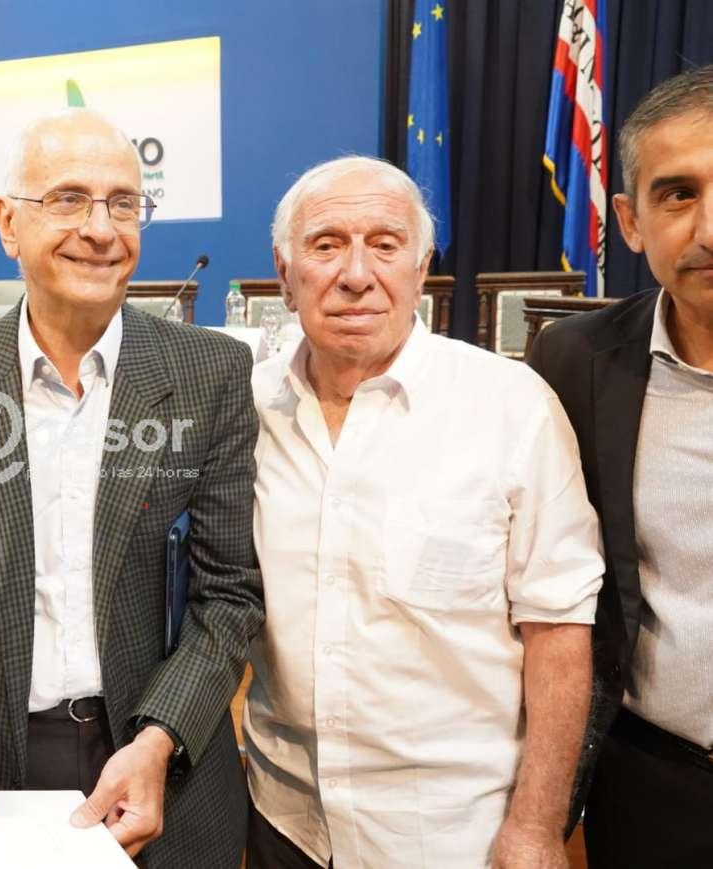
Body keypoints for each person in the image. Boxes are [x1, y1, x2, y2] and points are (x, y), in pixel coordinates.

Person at [0, 109, 263, 869]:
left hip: (166, 763)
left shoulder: (210, 373)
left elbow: (229, 593)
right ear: (9, 223)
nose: (101, 229)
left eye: (123, 203)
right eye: (69, 199)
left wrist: (160, 737)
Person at [245, 156, 604, 869]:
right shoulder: (248, 409)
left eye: (384, 245)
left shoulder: (512, 407)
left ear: (420, 268)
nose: (356, 274)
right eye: (325, 245)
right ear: (285, 275)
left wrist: (537, 825)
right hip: (285, 820)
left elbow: (559, 628)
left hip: (451, 833)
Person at [526, 64, 713, 867]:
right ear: (631, 222)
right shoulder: (575, 361)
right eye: (678, 194)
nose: (709, 227)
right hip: (649, 782)